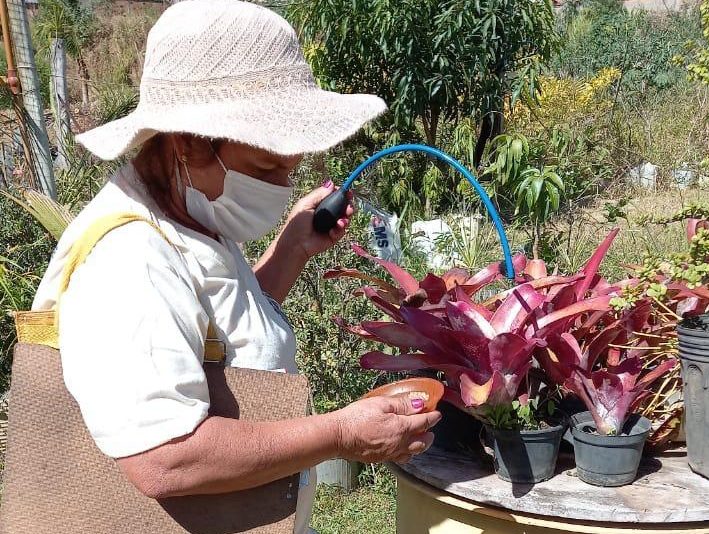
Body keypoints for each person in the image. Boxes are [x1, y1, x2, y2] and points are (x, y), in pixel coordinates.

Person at [31, 1, 440, 533]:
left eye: (289, 167)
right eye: (267, 165)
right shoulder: (131, 262)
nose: (281, 183)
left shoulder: (188, 214)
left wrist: (290, 251)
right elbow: (165, 457)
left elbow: (218, 337)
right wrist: (341, 433)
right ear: (187, 144)